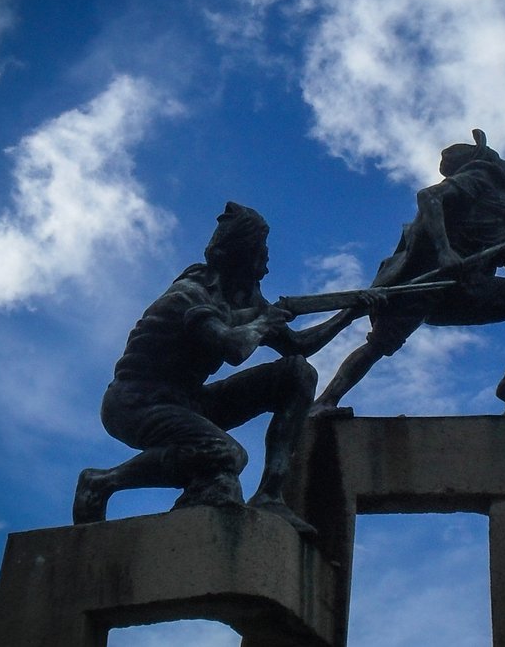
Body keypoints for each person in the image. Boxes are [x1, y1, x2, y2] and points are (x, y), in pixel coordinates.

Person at [73, 202, 373, 534]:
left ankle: (270, 495)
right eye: (262, 249)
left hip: (188, 400)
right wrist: (263, 323)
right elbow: (233, 349)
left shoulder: (247, 302)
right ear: (245, 252)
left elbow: (299, 346)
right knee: (227, 456)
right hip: (134, 403)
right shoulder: (190, 295)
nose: (268, 258)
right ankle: (102, 482)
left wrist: (351, 313)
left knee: (297, 373)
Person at [311, 129, 505, 421]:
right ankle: (325, 401)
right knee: (380, 345)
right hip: (428, 279)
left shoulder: (501, 220)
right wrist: (444, 250)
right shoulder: (480, 178)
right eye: (501, 158)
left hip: (467, 289)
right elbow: (429, 196)